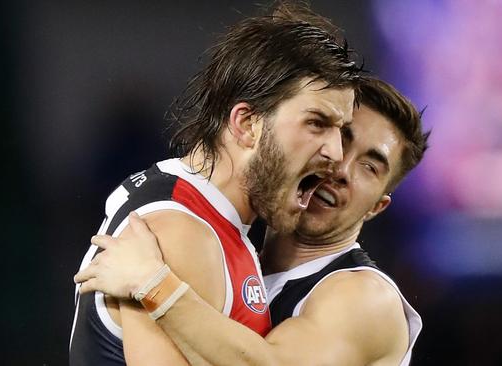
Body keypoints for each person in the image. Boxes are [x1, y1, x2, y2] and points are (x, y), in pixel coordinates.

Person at [68, 5, 362, 365]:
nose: (336, 152)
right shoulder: (181, 235)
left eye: (341, 131)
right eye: (316, 123)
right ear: (247, 124)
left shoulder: (206, 215)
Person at [75, 76, 430, 365]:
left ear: (376, 208)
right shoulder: (237, 253)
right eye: (339, 139)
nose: (339, 167)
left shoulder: (364, 297)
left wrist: (153, 285)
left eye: (369, 167)